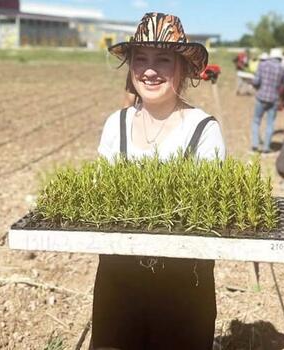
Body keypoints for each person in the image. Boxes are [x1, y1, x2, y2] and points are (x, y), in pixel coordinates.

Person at [94, 12, 226, 349]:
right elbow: (100, 197)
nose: (150, 70)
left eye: (163, 59)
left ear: (182, 68)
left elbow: (205, 208)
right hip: (118, 279)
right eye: (141, 59)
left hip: (183, 284)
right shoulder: (116, 125)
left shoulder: (202, 129)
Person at [251, 47, 284, 153]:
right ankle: (266, 147)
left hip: (261, 97)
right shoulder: (282, 68)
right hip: (274, 99)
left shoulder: (262, 65)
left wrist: (257, 86)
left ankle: (255, 145)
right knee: (270, 123)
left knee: (256, 121)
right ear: (279, 58)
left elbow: (256, 81)